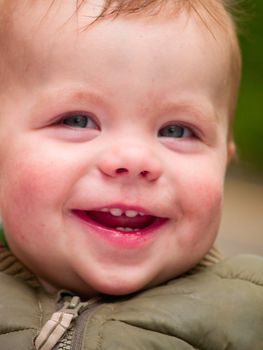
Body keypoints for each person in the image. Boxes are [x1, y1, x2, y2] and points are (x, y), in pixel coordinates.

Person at [0, 0, 262, 349]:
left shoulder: (248, 311)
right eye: (78, 120)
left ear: (224, 162)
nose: (136, 159)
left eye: (177, 130)